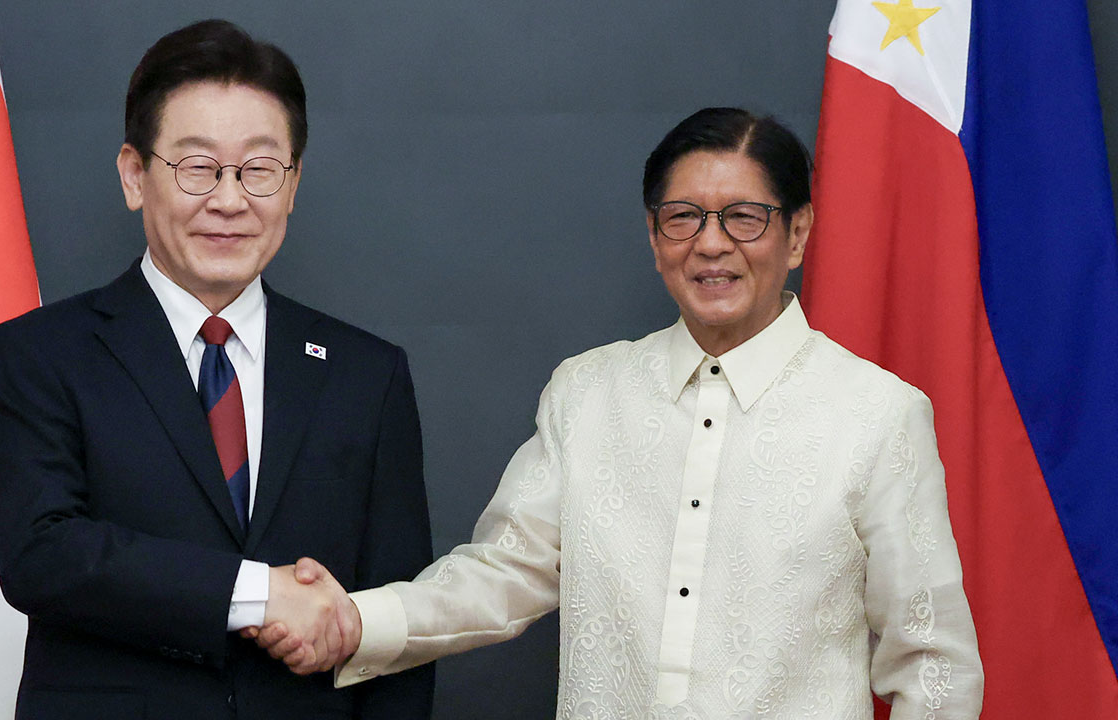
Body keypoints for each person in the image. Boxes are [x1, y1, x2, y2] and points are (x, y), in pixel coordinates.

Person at [259, 107, 984, 718]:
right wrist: (354, 619)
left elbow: (934, 667)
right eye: (684, 217)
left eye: (744, 217)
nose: (711, 243)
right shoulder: (588, 393)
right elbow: (502, 575)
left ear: (797, 234)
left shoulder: (875, 414)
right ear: (654, 235)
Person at [0, 19, 433, 720]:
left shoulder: (367, 375)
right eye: (198, 167)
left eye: (259, 169)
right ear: (135, 175)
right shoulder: (38, 354)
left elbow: (395, 623)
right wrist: (258, 593)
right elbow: (42, 553)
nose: (229, 200)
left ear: (292, 184)